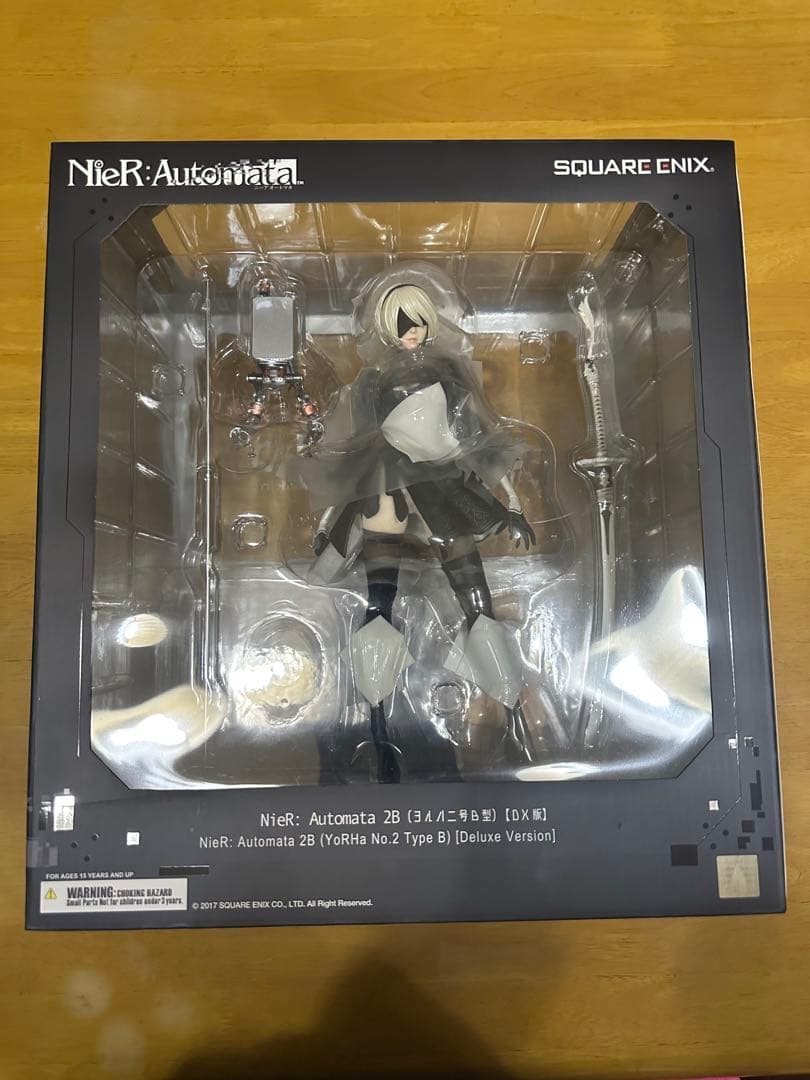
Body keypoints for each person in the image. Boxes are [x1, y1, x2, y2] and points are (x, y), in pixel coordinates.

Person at [299, 272, 538, 783]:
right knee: (379, 607)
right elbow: (355, 453)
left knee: (476, 602)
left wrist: (511, 501)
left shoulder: (449, 371)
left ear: (429, 323)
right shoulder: (371, 382)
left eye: (418, 323)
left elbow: (476, 439)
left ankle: (514, 716)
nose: (411, 333)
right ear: (387, 327)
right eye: (403, 324)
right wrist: (328, 522)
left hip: (439, 489)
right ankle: (377, 723)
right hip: (386, 490)